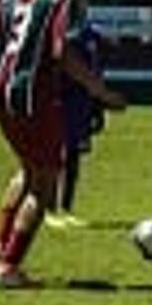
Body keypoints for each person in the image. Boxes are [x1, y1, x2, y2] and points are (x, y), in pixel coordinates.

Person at [0, 0, 125, 289]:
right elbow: (62, 53)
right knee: (45, 183)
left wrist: (9, 69)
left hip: (0, 89)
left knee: (27, 170)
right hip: (34, 93)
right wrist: (100, 91)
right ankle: (9, 268)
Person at [47, 21, 107, 230]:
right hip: (59, 104)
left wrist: (96, 108)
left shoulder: (91, 36)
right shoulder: (59, 33)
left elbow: (97, 73)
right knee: (54, 157)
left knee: (73, 158)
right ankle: (48, 208)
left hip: (81, 107)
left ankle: (66, 208)